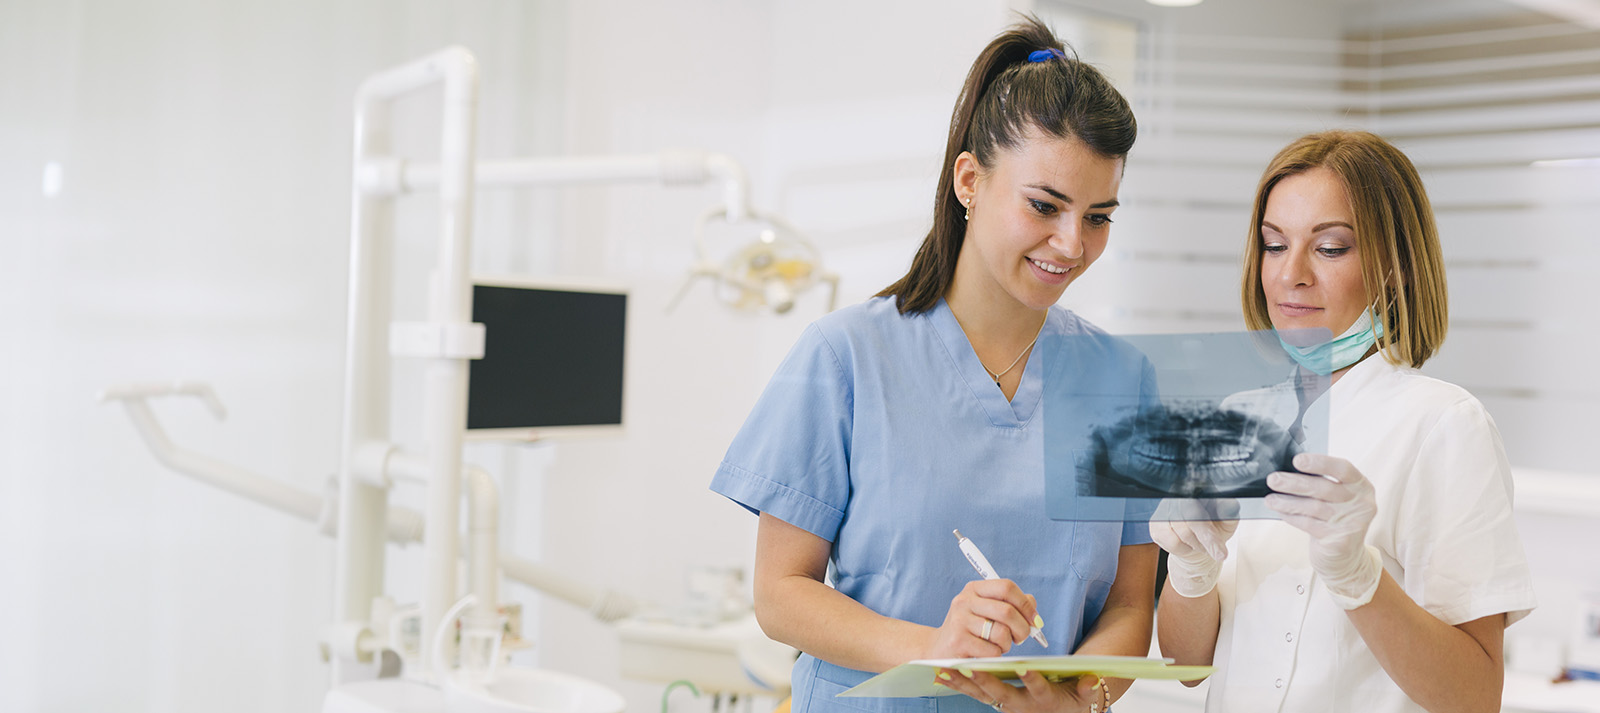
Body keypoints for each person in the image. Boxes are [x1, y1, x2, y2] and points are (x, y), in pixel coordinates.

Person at [709, 16, 1155, 713]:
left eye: (1098, 216)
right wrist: (930, 647)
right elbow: (780, 593)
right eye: (1045, 205)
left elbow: (1130, 605)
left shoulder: (1124, 380)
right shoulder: (846, 356)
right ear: (970, 181)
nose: (1071, 244)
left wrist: (1077, 699)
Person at [1152, 129, 1538, 713]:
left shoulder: (1444, 425)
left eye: (1330, 248)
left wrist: (1360, 576)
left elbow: (1475, 697)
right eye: (1274, 245)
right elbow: (1186, 669)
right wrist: (1191, 567)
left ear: (1397, 267)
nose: (1291, 275)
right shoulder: (1239, 417)